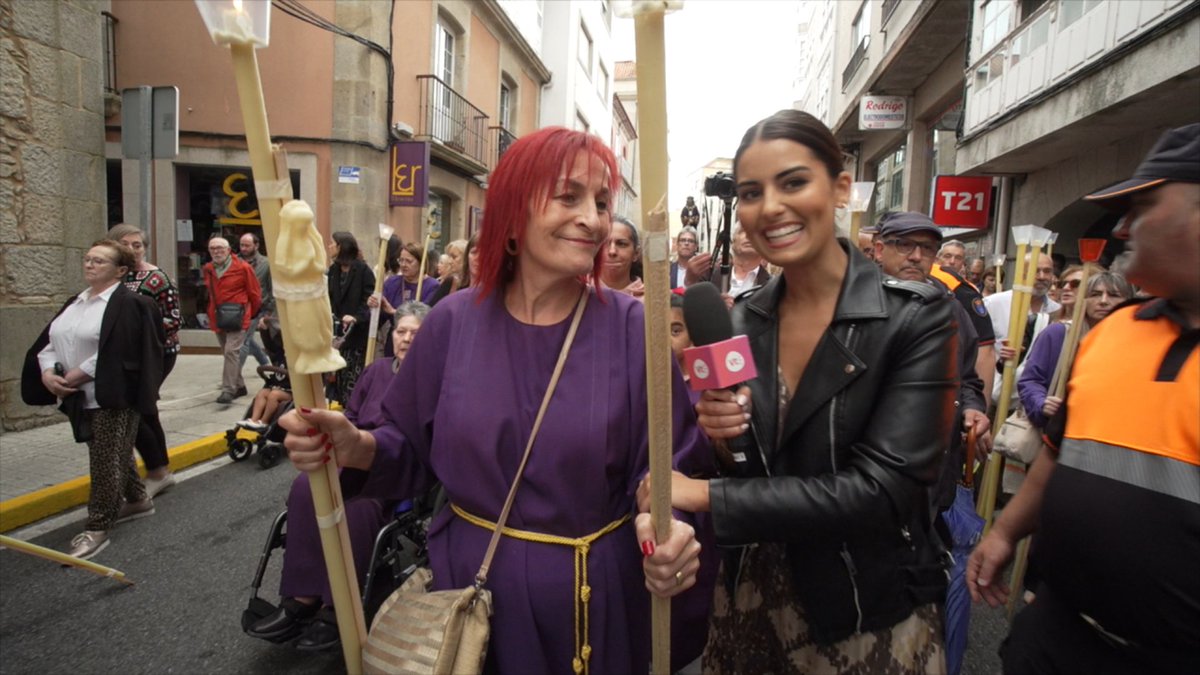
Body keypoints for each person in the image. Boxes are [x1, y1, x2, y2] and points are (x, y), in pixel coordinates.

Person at [279, 126, 711, 673]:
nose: (594, 218)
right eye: (569, 196)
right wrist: (355, 444)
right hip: (472, 597)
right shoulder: (451, 324)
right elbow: (408, 448)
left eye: (601, 203)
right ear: (513, 209)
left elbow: (673, 468)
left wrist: (665, 527)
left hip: (592, 604)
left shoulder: (634, 331)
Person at [659, 109, 956, 671]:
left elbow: (883, 492)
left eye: (793, 182)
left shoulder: (915, 319)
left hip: (862, 612)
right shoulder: (742, 319)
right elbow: (749, 465)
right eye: (751, 192)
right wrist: (725, 439)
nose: (770, 207)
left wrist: (705, 496)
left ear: (840, 187)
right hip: (747, 600)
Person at [969, 123, 1200, 675]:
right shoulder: (1115, 333)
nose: (1122, 227)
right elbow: (1059, 450)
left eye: (1144, 206)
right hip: (1058, 636)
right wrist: (1004, 530)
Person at [247, 302, 431, 649]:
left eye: (416, 334)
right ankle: (301, 597)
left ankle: (337, 606)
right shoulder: (375, 371)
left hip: (394, 468)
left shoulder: (430, 379)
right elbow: (355, 413)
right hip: (352, 451)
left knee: (357, 506)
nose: (406, 339)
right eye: (402, 332)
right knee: (306, 486)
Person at [872, 211, 988, 675]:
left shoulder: (951, 307)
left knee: (919, 597)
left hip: (929, 481)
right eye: (905, 245)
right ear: (879, 248)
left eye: (927, 248)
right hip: (864, 480)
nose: (916, 256)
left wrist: (973, 406)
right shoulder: (855, 300)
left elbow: (968, 380)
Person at [23, 240, 164, 559]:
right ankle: (139, 500)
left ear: (121, 270)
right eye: (87, 259)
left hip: (113, 396)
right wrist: (48, 374)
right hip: (75, 396)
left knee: (104, 461)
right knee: (113, 452)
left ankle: (98, 526)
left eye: (99, 261)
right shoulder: (76, 302)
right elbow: (49, 344)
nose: (90, 265)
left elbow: (124, 351)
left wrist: (76, 375)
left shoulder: (131, 304)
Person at [107, 224, 181, 498]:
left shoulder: (156, 279)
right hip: (125, 357)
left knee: (139, 408)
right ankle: (158, 469)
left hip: (156, 355)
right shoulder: (116, 278)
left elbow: (173, 320)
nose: (133, 250)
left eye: (137, 244)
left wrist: (136, 332)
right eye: (126, 244)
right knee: (143, 411)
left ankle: (158, 471)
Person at [1018, 270, 1131, 428]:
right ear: (1084, 300)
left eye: (1113, 295)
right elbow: (1031, 380)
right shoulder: (1059, 334)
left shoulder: (1135, 342)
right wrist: (1042, 403)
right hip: (1061, 431)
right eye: (1095, 294)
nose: (1103, 301)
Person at [203, 236, 262, 404]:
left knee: (231, 351)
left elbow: (255, 293)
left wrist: (251, 314)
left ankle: (228, 390)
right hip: (218, 316)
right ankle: (240, 385)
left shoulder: (243, 268)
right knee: (228, 353)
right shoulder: (208, 269)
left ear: (229, 250)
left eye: (220, 248)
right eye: (213, 248)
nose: (216, 251)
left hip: (239, 316)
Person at [326, 231, 375, 404]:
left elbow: (369, 301)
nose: (329, 246)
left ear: (341, 247)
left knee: (352, 378)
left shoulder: (362, 271)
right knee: (337, 379)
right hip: (338, 334)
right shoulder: (333, 270)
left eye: (332, 243)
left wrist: (356, 317)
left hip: (356, 335)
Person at [237, 232, 274, 370]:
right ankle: (264, 362)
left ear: (256, 245)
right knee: (246, 337)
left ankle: (233, 377)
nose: (244, 248)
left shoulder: (266, 264)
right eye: (242, 245)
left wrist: (269, 311)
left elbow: (272, 288)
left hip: (257, 308)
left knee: (242, 341)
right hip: (238, 307)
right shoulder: (234, 262)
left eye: (247, 245)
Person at [599, 215, 644, 298]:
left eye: (621, 244)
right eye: (605, 244)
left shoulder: (649, 300)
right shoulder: (577, 293)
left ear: (636, 253)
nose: (612, 251)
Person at [725, 224, 771, 297]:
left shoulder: (773, 287)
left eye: (756, 233)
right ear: (733, 241)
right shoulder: (710, 276)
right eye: (744, 231)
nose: (750, 236)